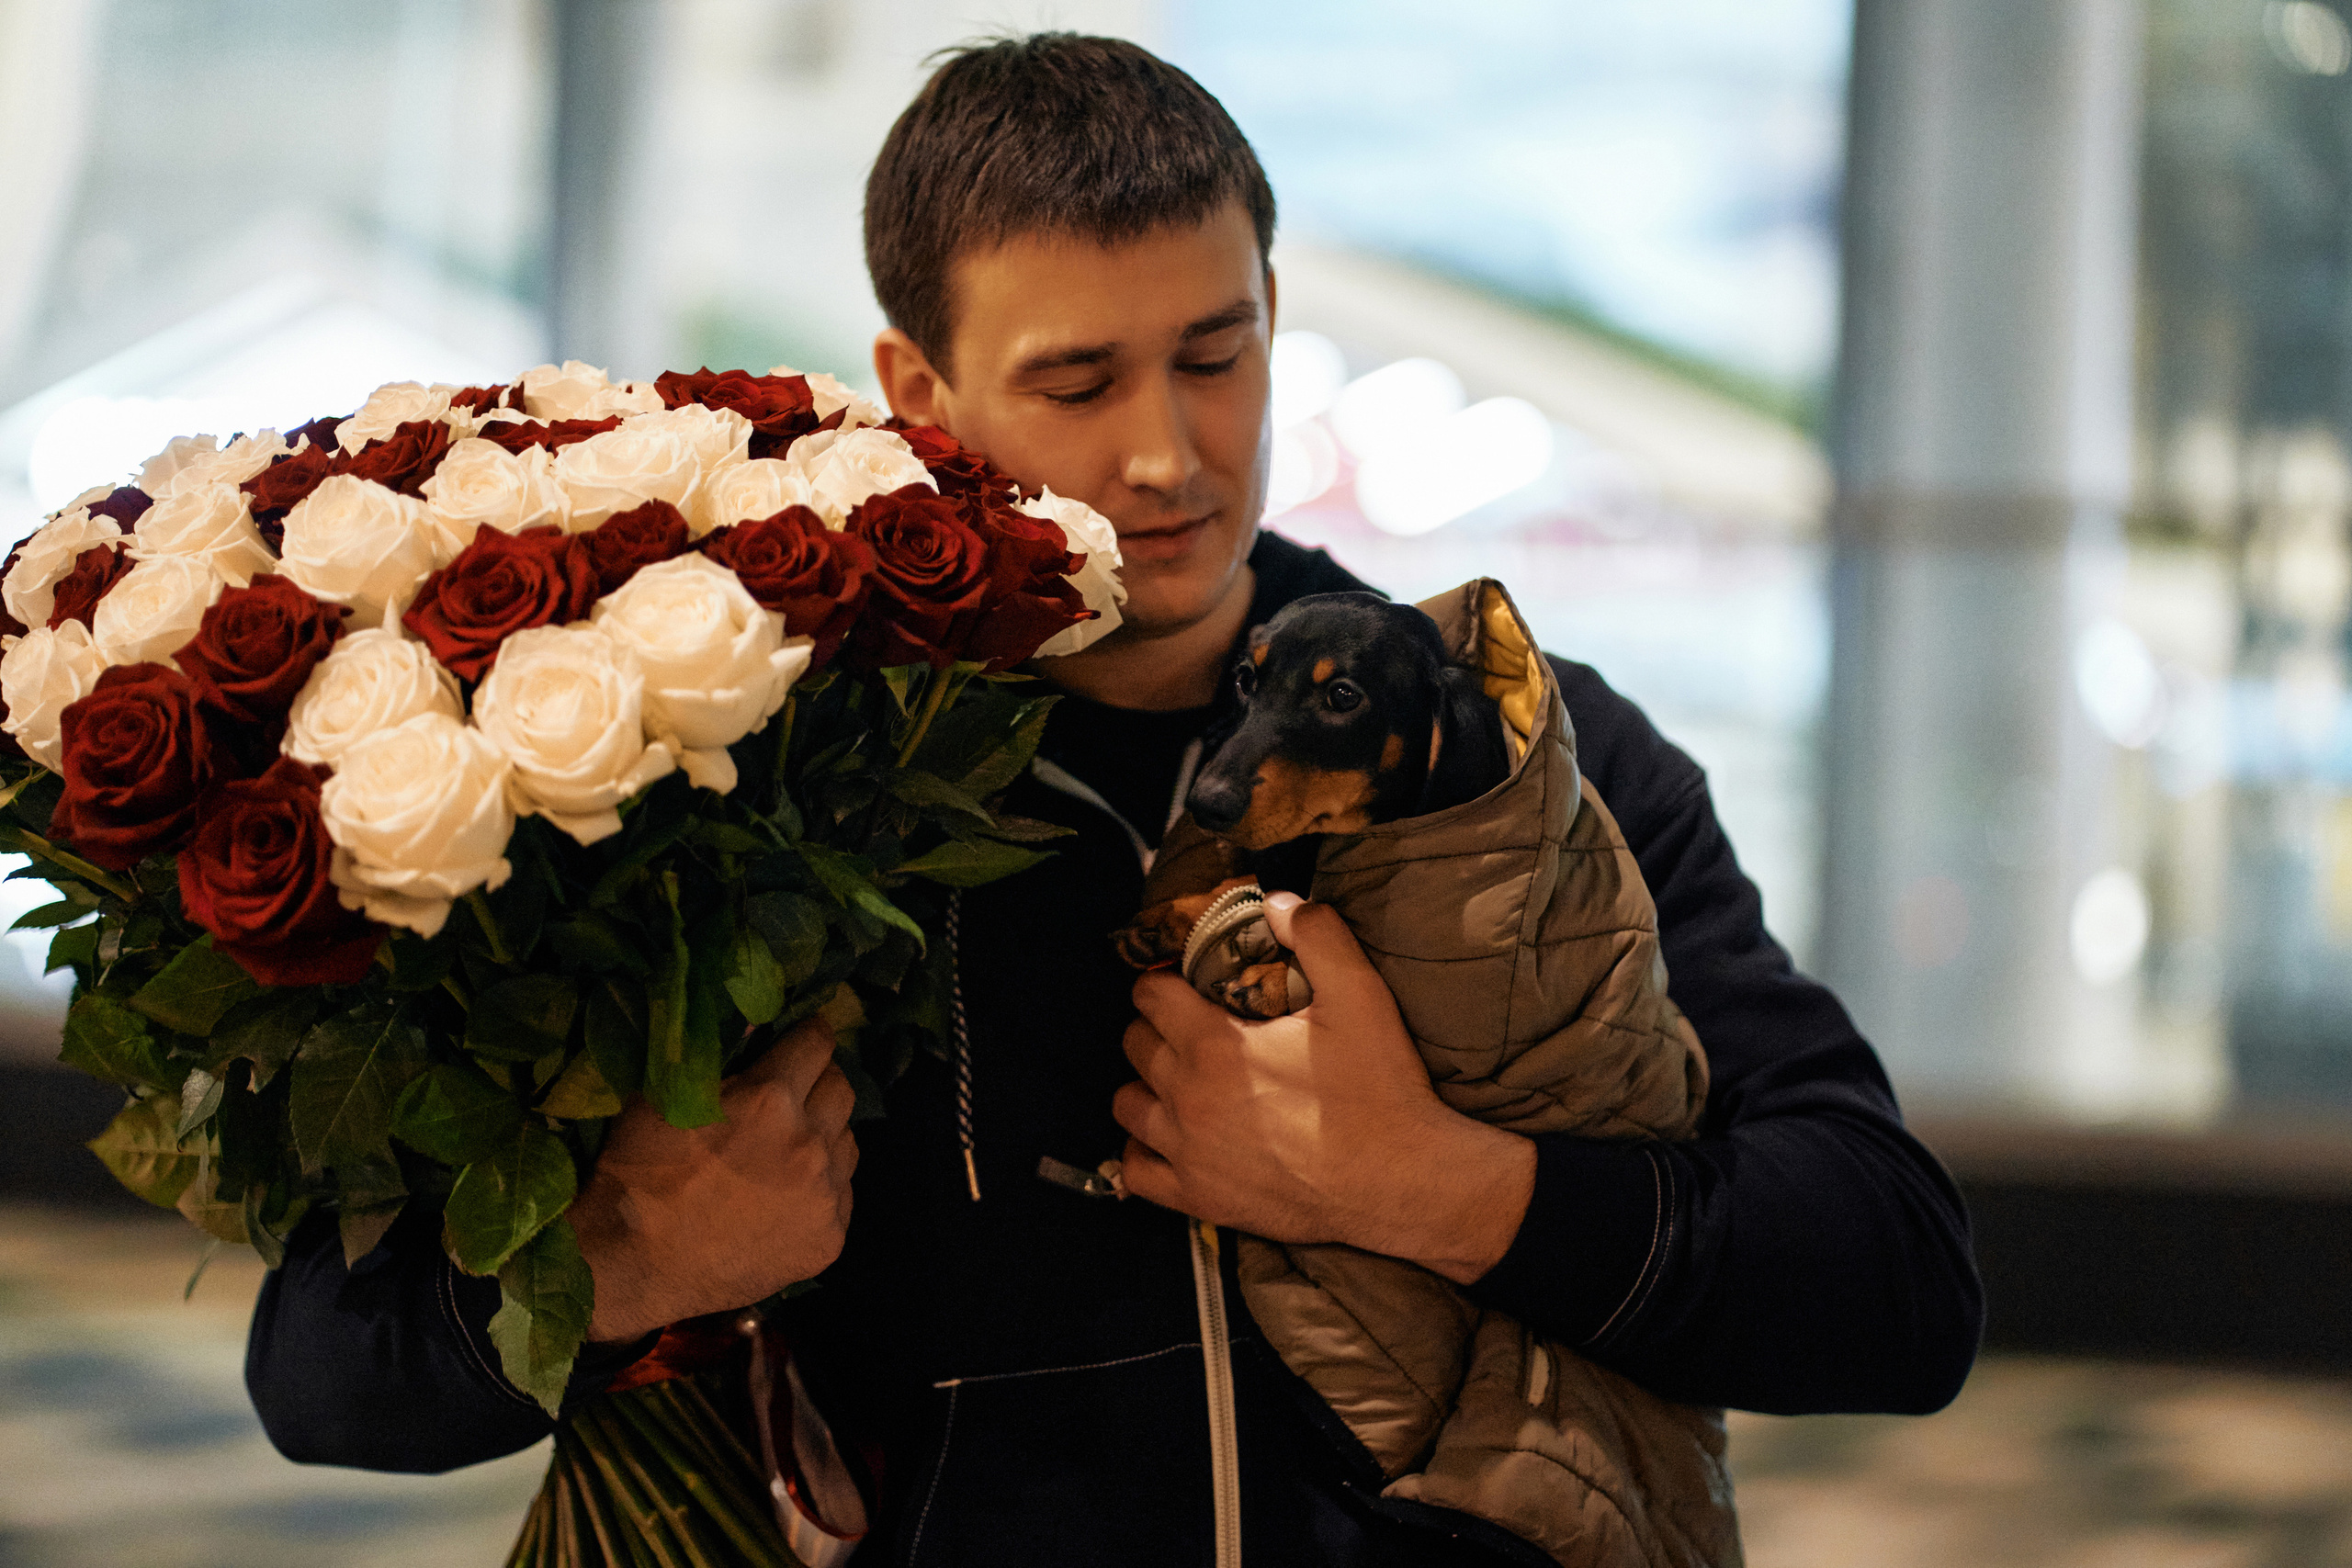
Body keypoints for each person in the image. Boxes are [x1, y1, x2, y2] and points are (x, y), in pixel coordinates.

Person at [244, 33, 1983, 1564]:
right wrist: (628, 1263)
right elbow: (320, 1375)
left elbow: (1902, 1288)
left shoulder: (1515, 756)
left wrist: (1427, 1186)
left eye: (1217, 356)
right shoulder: (756, 800)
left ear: (1275, 311)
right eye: (1078, 384)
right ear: (918, 393)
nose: (1167, 453)